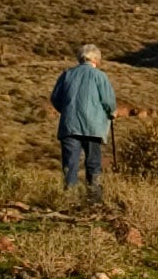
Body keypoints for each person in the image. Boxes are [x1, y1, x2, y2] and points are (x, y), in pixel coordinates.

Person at [50, 44, 117, 196]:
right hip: (94, 127)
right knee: (93, 163)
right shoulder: (100, 76)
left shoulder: (67, 75)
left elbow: (55, 98)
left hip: (69, 125)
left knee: (70, 164)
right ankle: (94, 198)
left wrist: (67, 110)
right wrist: (111, 112)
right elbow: (108, 101)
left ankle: (69, 197)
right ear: (96, 59)